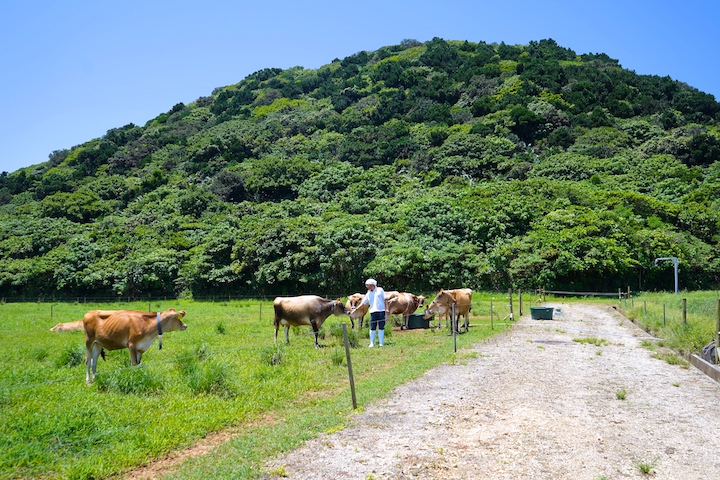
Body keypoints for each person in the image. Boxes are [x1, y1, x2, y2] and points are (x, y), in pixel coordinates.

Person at [352, 278, 388, 347]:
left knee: (381, 327)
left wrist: (387, 309)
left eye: (368, 285)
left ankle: (381, 343)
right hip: (373, 311)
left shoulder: (380, 290)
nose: (367, 287)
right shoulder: (368, 293)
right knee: (372, 327)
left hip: (381, 311)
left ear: (372, 285)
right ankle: (372, 343)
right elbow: (363, 303)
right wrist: (355, 309)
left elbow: (385, 299)